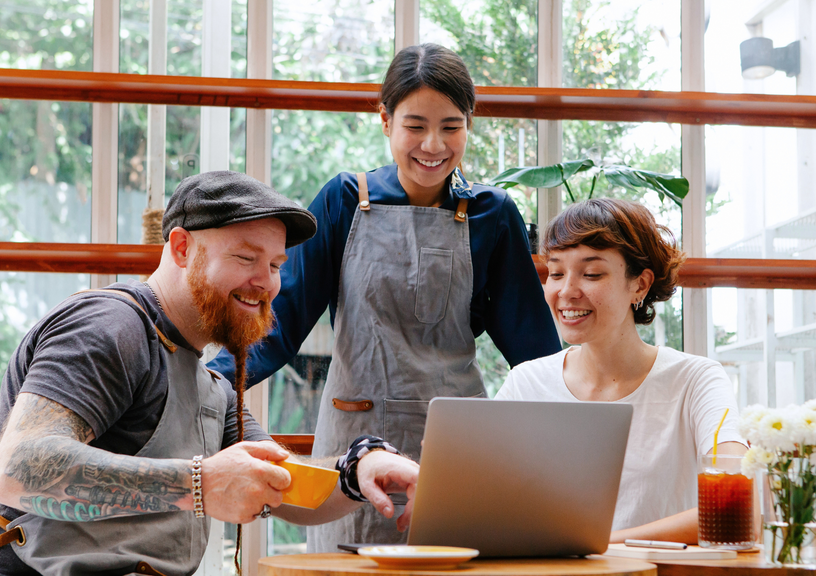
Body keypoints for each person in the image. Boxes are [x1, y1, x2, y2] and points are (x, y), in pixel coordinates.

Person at [0, 171, 420, 576]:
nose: (267, 283)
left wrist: (357, 468)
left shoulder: (210, 386)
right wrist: (202, 483)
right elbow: (19, 470)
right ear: (182, 248)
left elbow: (285, 482)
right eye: (246, 258)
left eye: (277, 265)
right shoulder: (109, 327)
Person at [208, 43, 561, 551]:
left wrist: (584, 430)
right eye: (415, 125)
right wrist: (208, 380)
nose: (433, 145)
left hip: (457, 448)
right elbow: (279, 325)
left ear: (469, 124)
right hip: (354, 450)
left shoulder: (493, 214)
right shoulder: (344, 200)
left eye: (451, 126)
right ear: (385, 121)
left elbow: (535, 354)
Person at [495, 198, 747, 545]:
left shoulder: (695, 381)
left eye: (592, 273)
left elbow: (740, 507)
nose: (566, 291)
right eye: (555, 273)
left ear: (640, 285)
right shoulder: (526, 383)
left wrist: (598, 545)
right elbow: (485, 503)